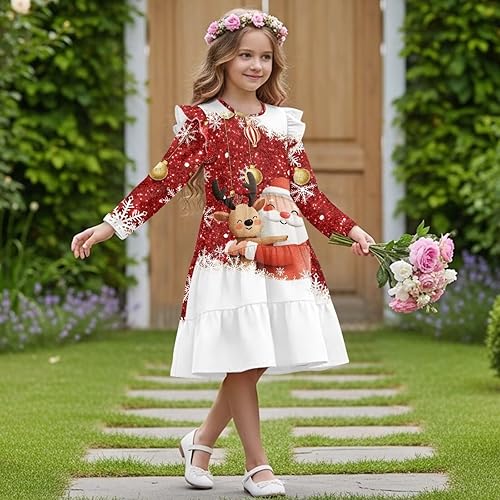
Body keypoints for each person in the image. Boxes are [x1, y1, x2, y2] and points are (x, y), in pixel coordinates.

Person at [71, 8, 375, 497]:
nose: (256, 65)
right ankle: (257, 466)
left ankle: (200, 441)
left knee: (252, 358)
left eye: (265, 57)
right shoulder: (203, 122)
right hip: (226, 255)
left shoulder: (283, 124)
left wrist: (353, 230)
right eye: (245, 55)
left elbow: (307, 192)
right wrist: (111, 224)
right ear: (223, 59)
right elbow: (163, 180)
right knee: (245, 354)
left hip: (283, 254)